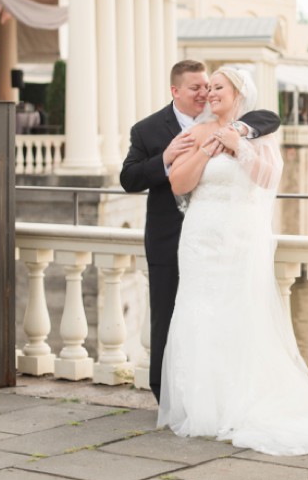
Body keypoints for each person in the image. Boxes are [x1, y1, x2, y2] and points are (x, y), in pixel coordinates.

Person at [159, 67, 308, 454]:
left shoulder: (259, 133)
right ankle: (203, 406)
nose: (210, 94)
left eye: (219, 88)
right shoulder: (195, 132)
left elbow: (267, 179)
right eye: (208, 88)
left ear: (237, 95)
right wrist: (206, 149)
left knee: (236, 313)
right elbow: (178, 183)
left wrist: (237, 145)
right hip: (199, 238)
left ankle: (238, 400)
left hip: (238, 240)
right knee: (199, 312)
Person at [120, 60, 281, 404]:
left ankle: (231, 393)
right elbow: (130, 179)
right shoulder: (149, 130)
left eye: (211, 86)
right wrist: (165, 157)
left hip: (231, 236)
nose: (205, 93)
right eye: (198, 88)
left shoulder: (248, 124)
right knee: (174, 315)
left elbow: (267, 120)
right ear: (176, 91)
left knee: (230, 313)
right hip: (176, 237)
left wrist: (235, 135)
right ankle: (169, 394)